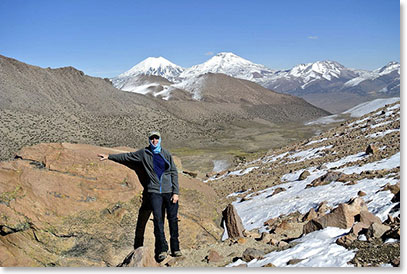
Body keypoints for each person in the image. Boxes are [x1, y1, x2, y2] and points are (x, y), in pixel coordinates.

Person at [98, 131, 181, 262]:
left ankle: (175, 248)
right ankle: (161, 250)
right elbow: (127, 157)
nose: (154, 141)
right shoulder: (144, 153)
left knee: (172, 220)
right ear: (149, 140)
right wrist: (109, 157)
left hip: (169, 191)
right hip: (154, 192)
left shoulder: (166, 154)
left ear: (160, 140)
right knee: (158, 221)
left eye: (156, 138)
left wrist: (175, 192)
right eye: (152, 139)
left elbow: (173, 172)